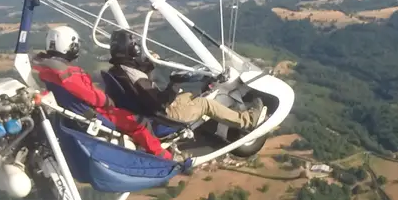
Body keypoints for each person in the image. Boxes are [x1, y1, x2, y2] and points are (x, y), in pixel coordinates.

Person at [33, 25, 168, 156]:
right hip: (94, 113)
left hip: (79, 112)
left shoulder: (49, 70)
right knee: (139, 123)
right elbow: (89, 95)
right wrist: (107, 100)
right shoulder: (67, 74)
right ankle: (162, 156)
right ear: (70, 47)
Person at [106, 29, 262, 129]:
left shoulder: (118, 70)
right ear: (133, 49)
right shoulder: (137, 78)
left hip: (144, 111)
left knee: (189, 94)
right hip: (164, 116)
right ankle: (247, 120)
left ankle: (222, 115)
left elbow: (138, 81)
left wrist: (149, 63)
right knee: (205, 103)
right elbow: (160, 103)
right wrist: (174, 83)